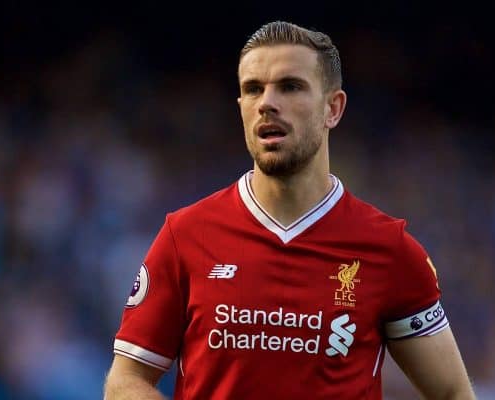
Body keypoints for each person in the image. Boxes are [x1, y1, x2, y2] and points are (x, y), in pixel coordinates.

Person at [104, 20, 476, 399]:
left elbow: (453, 393)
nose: (267, 102)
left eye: (290, 86)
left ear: (333, 108)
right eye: (253, 90)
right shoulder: (186, 236)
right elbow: (125, 382)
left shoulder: (389, 250)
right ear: (242, 109)